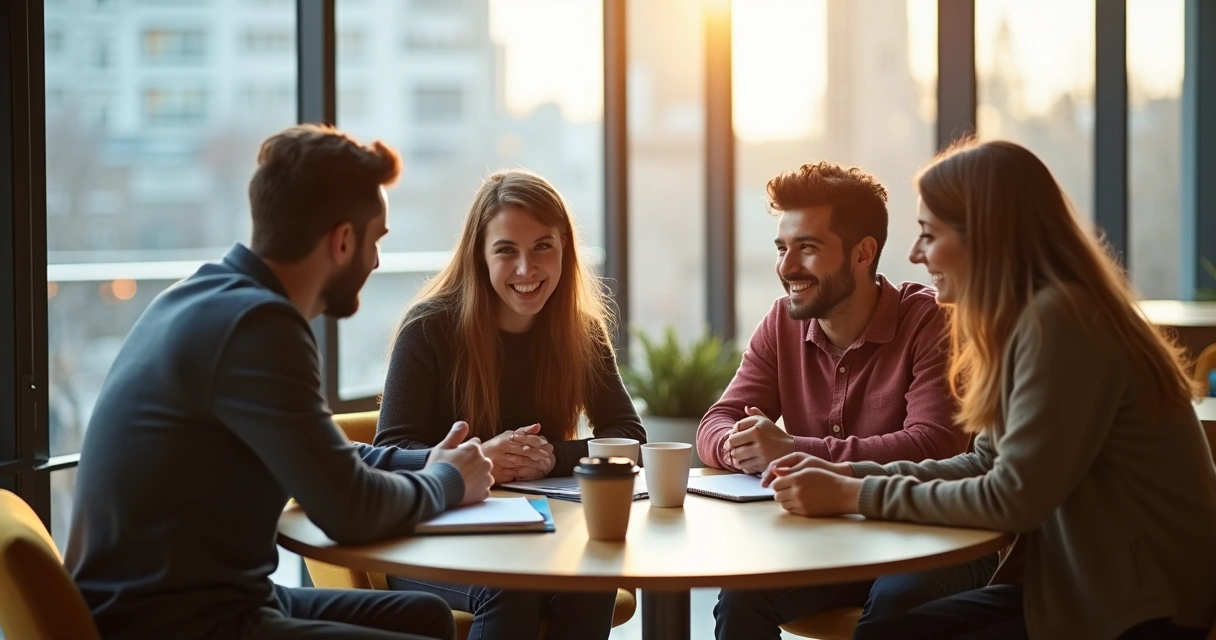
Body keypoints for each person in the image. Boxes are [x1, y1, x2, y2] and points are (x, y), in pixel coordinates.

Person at [763, 139, 1216, 640]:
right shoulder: (1032, 319)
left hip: (1142, 611)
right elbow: (984, 463)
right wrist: (846, 472)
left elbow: (1014, 498)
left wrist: (854, 492)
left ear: (985, 235)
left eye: (929, 235)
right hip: (1078, 591)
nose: (915, 254)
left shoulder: (1063, 321)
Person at [64, 124, 495, 640]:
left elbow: (323, 457)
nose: (378, 260)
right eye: (376, 239)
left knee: (426, 617)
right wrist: (448, 482)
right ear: (342, 241)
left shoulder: (204, 296)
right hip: (170, 622)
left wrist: (426, 462)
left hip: (210, 597)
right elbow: (349, 511)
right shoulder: (258, 328)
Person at [700, 161, 994, 639]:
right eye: (782, 248)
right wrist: (743, 445)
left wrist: (791, 450)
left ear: (863, 253)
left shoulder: (932, 321)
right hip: (831, 537)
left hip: (934, 536)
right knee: (741, 597)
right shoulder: (782, 322)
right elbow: (717, 420)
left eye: (808, 248)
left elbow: (935, 444)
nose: (787, 267)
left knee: (894, 606)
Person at [374, 169, 645, 640]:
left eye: (542, 247)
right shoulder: (428, 328)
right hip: (428, 536)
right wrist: (477, 460)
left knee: (591, 580)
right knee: (511, 585)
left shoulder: (581, 332)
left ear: (564, 249)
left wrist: (551, 457)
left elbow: (630, 439)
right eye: (505, 251)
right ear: (479, 255)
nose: (526, 269)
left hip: (535, 535)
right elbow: (391, 450)